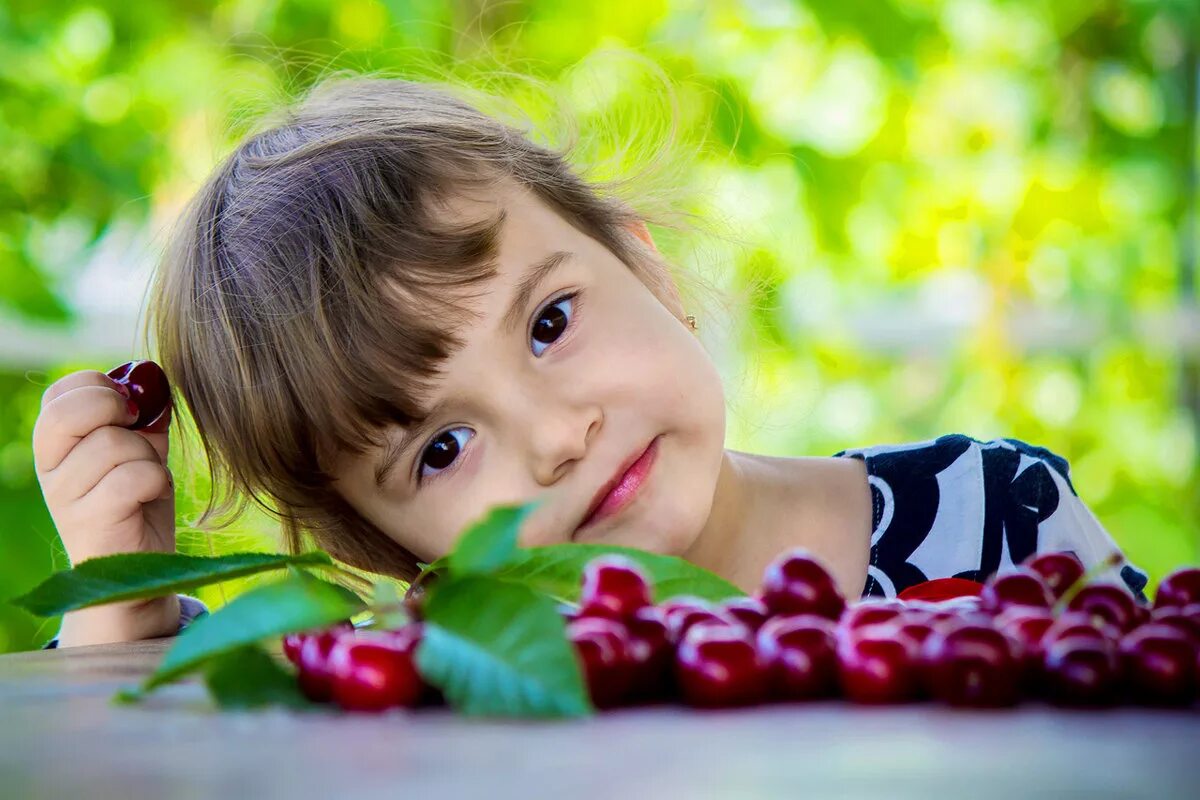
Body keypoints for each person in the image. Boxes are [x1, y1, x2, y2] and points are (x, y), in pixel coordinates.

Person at [30, 75, 1147, 648]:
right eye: (443, 448)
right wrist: (117, 606)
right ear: (394, 550)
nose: (558, 438)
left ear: (644, 261)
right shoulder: (437, 682)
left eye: (549, 321)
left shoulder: (999, 522)